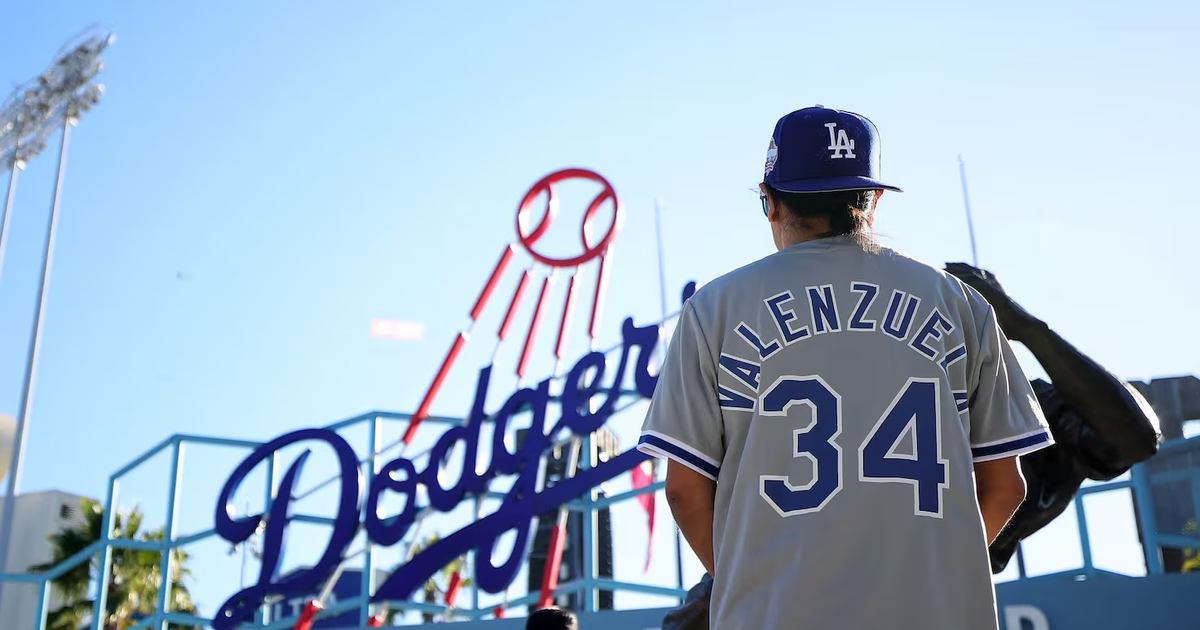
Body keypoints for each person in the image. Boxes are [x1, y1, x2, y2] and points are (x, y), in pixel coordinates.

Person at [637, 105, 1053, 630]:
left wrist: (748, 580)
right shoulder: (961, 304)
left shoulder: (714, 307)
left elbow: (683, 488)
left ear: (771, 201)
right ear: (873, 201)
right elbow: (1006, 484)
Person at [657, 264, 1165, 630]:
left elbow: (1134, 438)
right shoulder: (907, 388)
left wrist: (1025, 328)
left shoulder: (1034, 409)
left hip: (818, 576)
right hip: (885, 580)